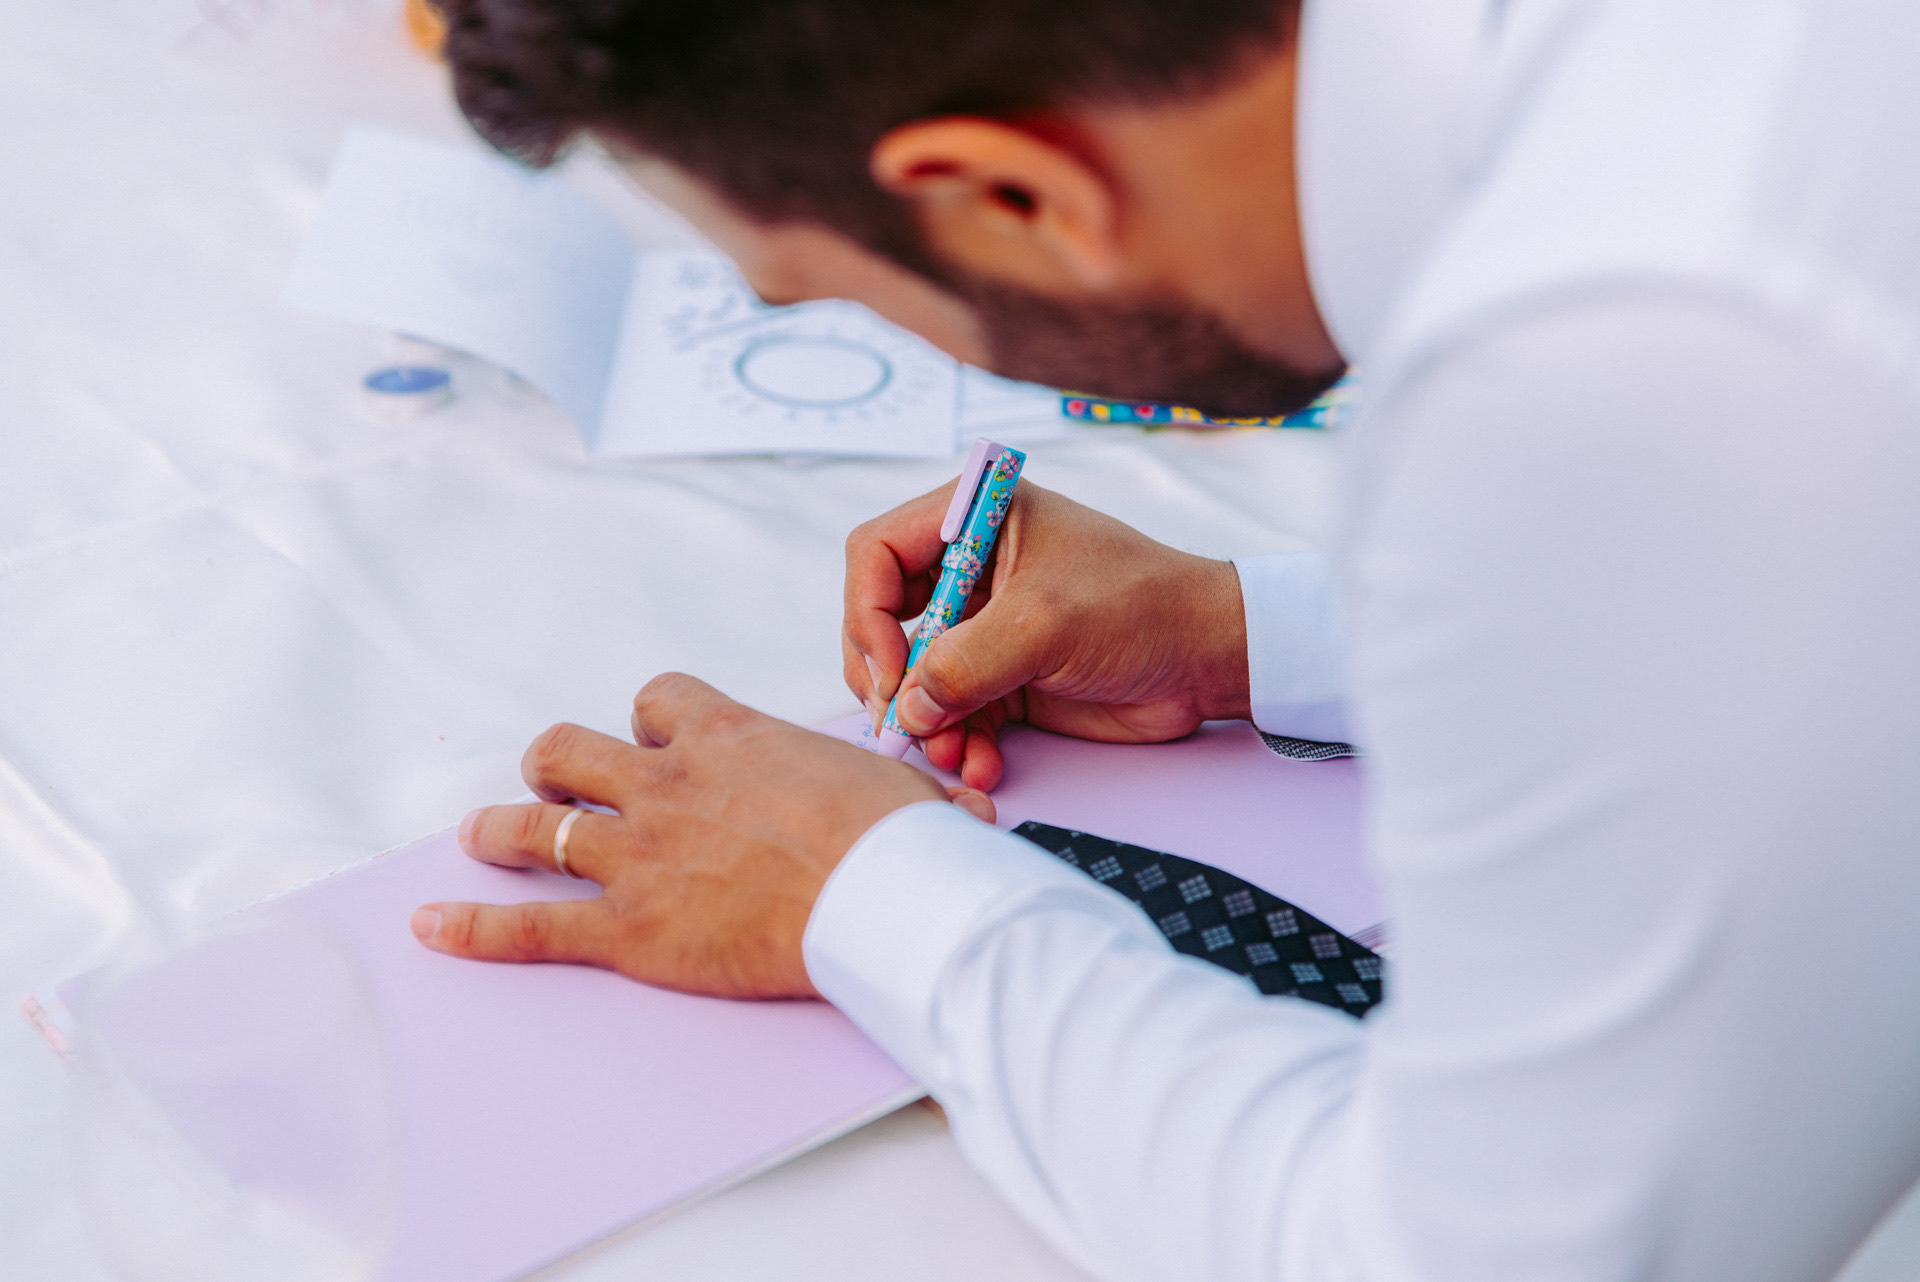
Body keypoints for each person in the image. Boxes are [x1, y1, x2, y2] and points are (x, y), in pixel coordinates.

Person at [404, 1, 1920, 1278]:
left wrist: (861, 889)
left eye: (821, 291)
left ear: (1008, 196)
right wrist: (1250, 626)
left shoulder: (1639, 366)